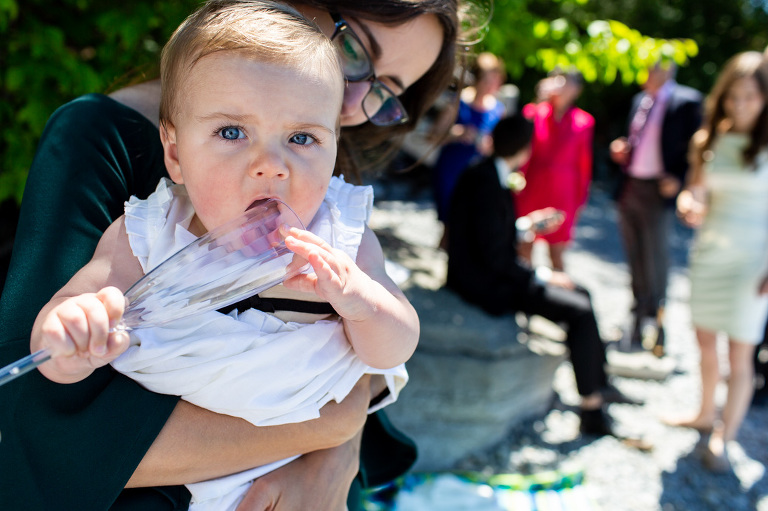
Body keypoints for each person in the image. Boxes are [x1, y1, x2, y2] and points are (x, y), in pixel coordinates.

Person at [0, 1, 467, 509]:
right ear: (174, 153)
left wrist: (362, 306)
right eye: (354, 49)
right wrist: (73, 328)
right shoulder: (147, 227)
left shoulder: (335, 226)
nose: (354, 102)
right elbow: (40, 381)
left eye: (385, 90)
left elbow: (390, 345)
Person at [445, 113, 641, 437]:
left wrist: (526, 226)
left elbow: (489, 233)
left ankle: (599, 382)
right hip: (484, 283)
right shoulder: (486, 182)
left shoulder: (487, 173)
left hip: (490, 271)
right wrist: (543, 275)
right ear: (524, 149)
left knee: (582, 293)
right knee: (579, 310)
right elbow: (493, 257)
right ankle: (591, 408)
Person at [671, 51, 768, 472]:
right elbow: (695, 190)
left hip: (754, 261)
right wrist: (687, 202)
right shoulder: (708, 139)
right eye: (733, 96)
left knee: (740, 355)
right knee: (705, 343)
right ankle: (704, 412)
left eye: (750, 96)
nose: (740, 104)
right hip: (710, 252)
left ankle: (723, 437)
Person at [609, 60, 703, 356]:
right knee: (634, 254)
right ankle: (637, 316)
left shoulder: (686, 101)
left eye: (653, 68)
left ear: (668, 70)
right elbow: (636, 138)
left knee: (656, 258)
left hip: (658, 190)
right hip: (631, 185)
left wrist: (680, 179)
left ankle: (657, 322)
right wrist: (622, 149)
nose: (647, 73)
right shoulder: (640, 100)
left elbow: (698, 148)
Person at [516, 68, 594, 272]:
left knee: (557, 251)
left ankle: (556, 288)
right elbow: (522, 142)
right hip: (532, 186)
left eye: (567, 82)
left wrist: (580, 199)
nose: (561, 86)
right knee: (524, 243)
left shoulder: (583, 121)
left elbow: (584, 164)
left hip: (563, 192)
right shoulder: (535, 112)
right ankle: (524, 286)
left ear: (577, 90)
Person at [430, 51, 507, 247]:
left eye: (495, 80)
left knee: (470, 226)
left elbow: (501, 148)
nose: (491, 86)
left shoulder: (498, 109)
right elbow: (433, 135)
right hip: (452, 170)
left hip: (478, 176)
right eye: (487, 80)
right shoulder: (458, 102)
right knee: (450, 224)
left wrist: (490, 146)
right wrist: (457, 134)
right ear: (477, 79)